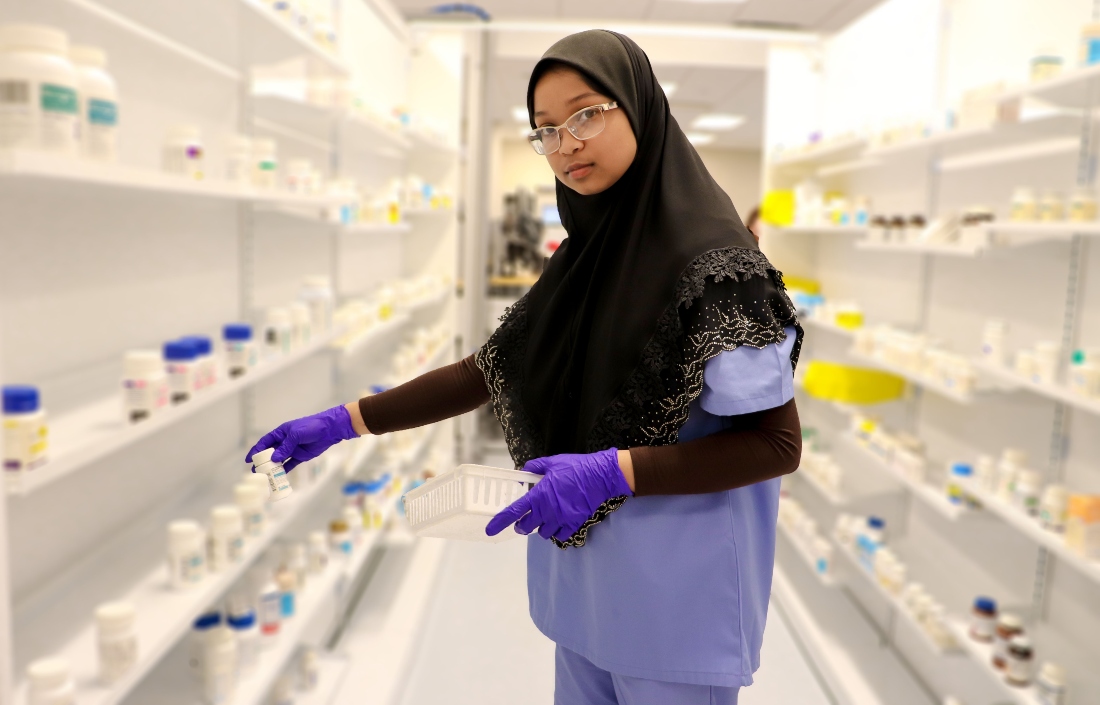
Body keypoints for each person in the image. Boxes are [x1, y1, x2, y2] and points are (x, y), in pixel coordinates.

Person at [247, 30, 803, 705]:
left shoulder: (720, 267)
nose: (566, 143)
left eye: (586, 113)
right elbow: (486, 371)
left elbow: (776, 445)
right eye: (545, 130)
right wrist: (347, 420)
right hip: (585, 593)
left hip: (677, 609)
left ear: (640, 107)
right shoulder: (583, 256)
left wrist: (613, 469)